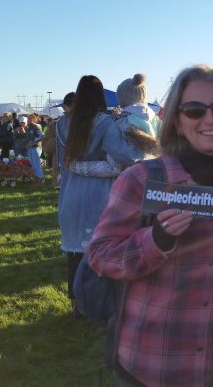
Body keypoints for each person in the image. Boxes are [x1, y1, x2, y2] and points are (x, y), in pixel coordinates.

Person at [88, 65, 213, 387]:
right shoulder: (142, 178)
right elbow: (100, 255)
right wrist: (155, 240)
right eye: (194, 110)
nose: (210, 119)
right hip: (152, 365)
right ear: (176, 119)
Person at [56, 75, 137, 318]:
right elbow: (125, 157)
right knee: (101, 250)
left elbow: (64, 162)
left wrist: (76, 167)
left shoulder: (62, 124)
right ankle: (99, 303)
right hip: (99, 196)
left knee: (75, 253)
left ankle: (78, 305)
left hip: (70, 194)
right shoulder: (106, 122)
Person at [42, 92, 75, 189]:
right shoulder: (56, 125)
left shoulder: (91, 124)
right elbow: (46, 147)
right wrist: (63, 138)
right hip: (62, 172)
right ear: (65, 107)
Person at [25, 114, 45, 185]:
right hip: (30, 148)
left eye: (29, 118)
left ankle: (41, 179)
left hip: (36, 148)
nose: (28, 120)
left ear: (33, 119)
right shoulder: (28, 127)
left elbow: (41, 136)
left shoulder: (36, 127)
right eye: (27, 118)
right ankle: (36, 179)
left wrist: (31, 143)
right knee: (33, 165)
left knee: (37, 165)